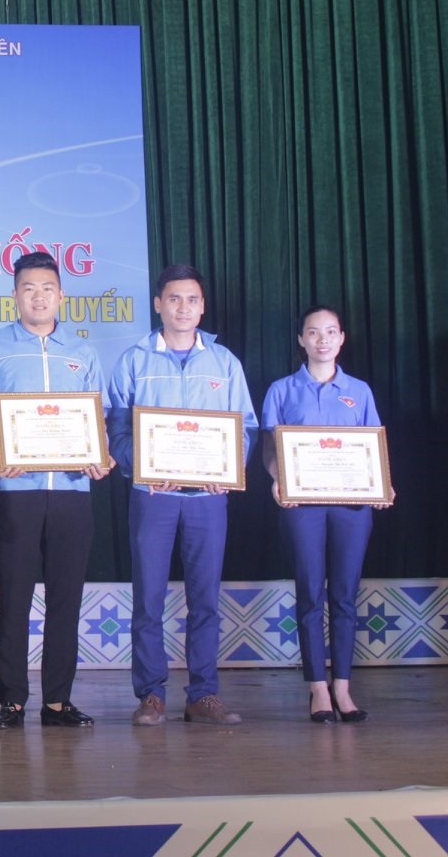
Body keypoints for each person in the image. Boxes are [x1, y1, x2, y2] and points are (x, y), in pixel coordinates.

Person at [104, 263, 257, 727]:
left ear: (202, 306)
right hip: (153, 496)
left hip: (208, 498)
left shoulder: (225, 362)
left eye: (192, 299)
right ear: (158, 304)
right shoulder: (134, 360)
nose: (183, 308)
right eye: (174, 299)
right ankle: (151, 695)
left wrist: (228, 469)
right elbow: (116, 429)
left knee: (205, 599)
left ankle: (203, 694)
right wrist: (144, 467)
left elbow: (246, 427)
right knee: (148, 599)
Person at [0, 250, 110, 730]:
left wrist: (100, 453)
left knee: (65, 599)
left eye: (47, 288)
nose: (38, 297)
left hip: (72, 491)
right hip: (16, 490)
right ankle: (11, 700)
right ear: (15, 295)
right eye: (28, 288)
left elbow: (97, 418)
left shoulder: (82, 353)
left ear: (61, 295)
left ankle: (57, 702)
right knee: (15, 597)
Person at [261, 305, 389, 724]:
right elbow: (269, 446)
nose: (322, 340)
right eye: (313, 332)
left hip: (352, 507)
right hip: (302, 507)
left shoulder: (359, 391)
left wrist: (383, 484)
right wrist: (277, 478)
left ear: (341, 338)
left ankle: (344, 688)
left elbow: (374, 446)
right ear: (301, 339)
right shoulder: (282, 390)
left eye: (330, 332)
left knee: (346, 595)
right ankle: (318, 687)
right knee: (310, 593)